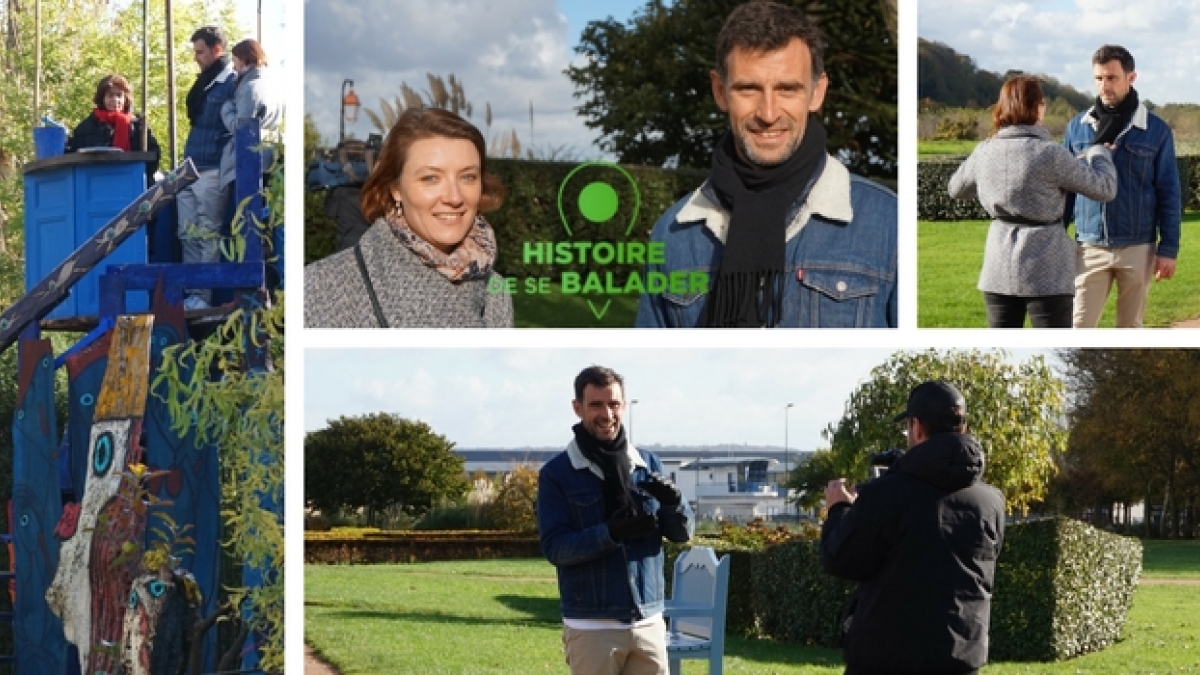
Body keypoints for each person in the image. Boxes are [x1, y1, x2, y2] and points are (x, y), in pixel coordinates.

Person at [635, 1, 896, 328]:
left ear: (817, 93)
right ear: (720, 91)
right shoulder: (673, 234)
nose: (768, 113)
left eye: (787, 89)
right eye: (749, 89)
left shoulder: (888, 224)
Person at [821, 381, 1005, 675]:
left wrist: (839, 509)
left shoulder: (886, 493)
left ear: (917, 427)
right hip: (961, 659)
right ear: (962, 426)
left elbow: (840, 559)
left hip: (885, 660)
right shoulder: (992, 501)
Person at [537, 365, 693, 675]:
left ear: (623, 405)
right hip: (591, 626)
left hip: (649, 621)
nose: (607, 414)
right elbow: (556, 548)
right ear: (577, 408)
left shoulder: (648, 464)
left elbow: (682, 534)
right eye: (596, 405)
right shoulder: (556, 474)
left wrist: (676, 503)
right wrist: (610, 533)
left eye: (614, 404)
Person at [304, 108, 513, 327]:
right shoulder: (320, 288)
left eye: (468, 177)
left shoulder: (496, 292)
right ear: (396, 189)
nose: (454, 197)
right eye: (431, 178)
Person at [948, 75, 1117, 328]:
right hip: (1047, 266)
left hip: (998, 264)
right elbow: (1104, 189)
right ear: (1038, 106)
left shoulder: (985, 150)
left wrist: (987, 166)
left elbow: (956, 189)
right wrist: (1099, 153)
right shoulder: (1050, 154)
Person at [1063, 45, 1181, 328]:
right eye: (1099, 78)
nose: (1105, 86)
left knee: (1130, 330)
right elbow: (1065, 188)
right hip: (1089, 245)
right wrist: (1056, 236)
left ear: (1131, 77)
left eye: (1112, 78)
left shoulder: (1156, 130)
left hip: (1138, 247)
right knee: (1078, 328)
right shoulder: (1077, 128)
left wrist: (1169, 248)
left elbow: (1169, 191)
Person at [178, 25, 237, 311]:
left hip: (213, 166)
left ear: (217, 50)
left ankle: (204, 295)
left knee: (208, 231)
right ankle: (192, 293)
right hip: (189, 166)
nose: (196, 58)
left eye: (200, 52)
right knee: (187, 231)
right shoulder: (204, 83)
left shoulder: (231, 81)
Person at [67, 74, 161, 184]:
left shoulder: (138, 126)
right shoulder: (86, 127)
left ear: (125, 99)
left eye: (119, 95)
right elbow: (74, 157)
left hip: (132, 183)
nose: (115, 100)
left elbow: (154, 155)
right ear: (102, 98)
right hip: (97, 182)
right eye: (110, 95)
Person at [220, 39, 283, 199]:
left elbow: (241, 128)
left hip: (248, 160)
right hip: (269, 158)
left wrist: (226, 108)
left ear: (245, 59)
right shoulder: (274, 86)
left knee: (242, 216)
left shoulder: (249, 88)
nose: (234, 66)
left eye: (235, 60)